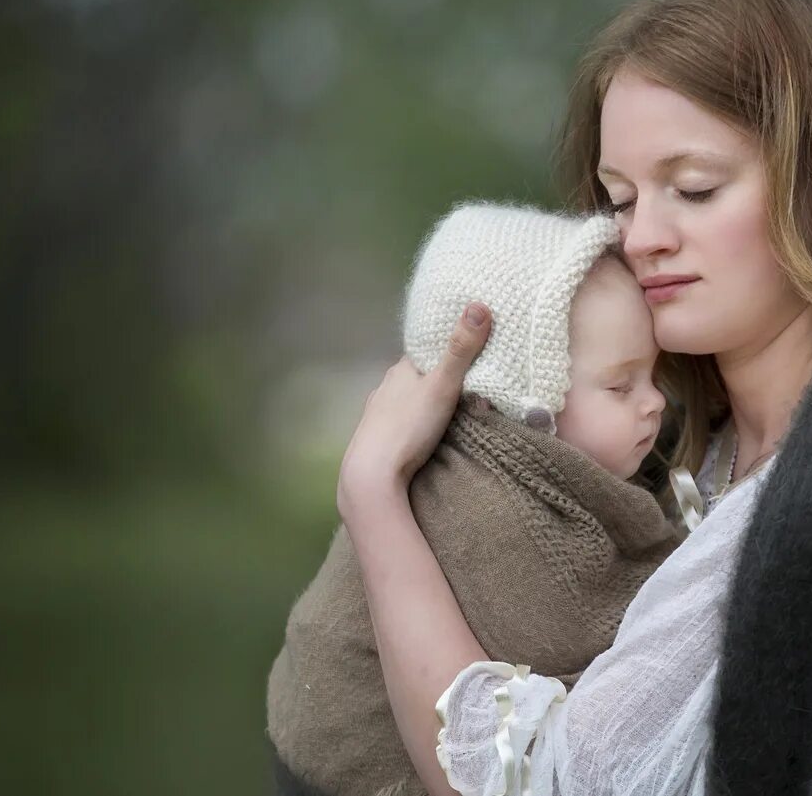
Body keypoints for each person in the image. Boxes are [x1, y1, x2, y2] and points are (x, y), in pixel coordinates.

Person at [333, 0, 812, 796]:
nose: (642, 236)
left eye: (694, 188)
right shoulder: (671, 447)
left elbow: (543, 782)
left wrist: (374, 498)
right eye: (620, 198)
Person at [267, 202, 682, 796]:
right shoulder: (497, 512)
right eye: (621, 385)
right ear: (528, 405)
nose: (655, 403)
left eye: (654, 376)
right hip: (345, 769)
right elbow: (611, 636)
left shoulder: (528, 470)